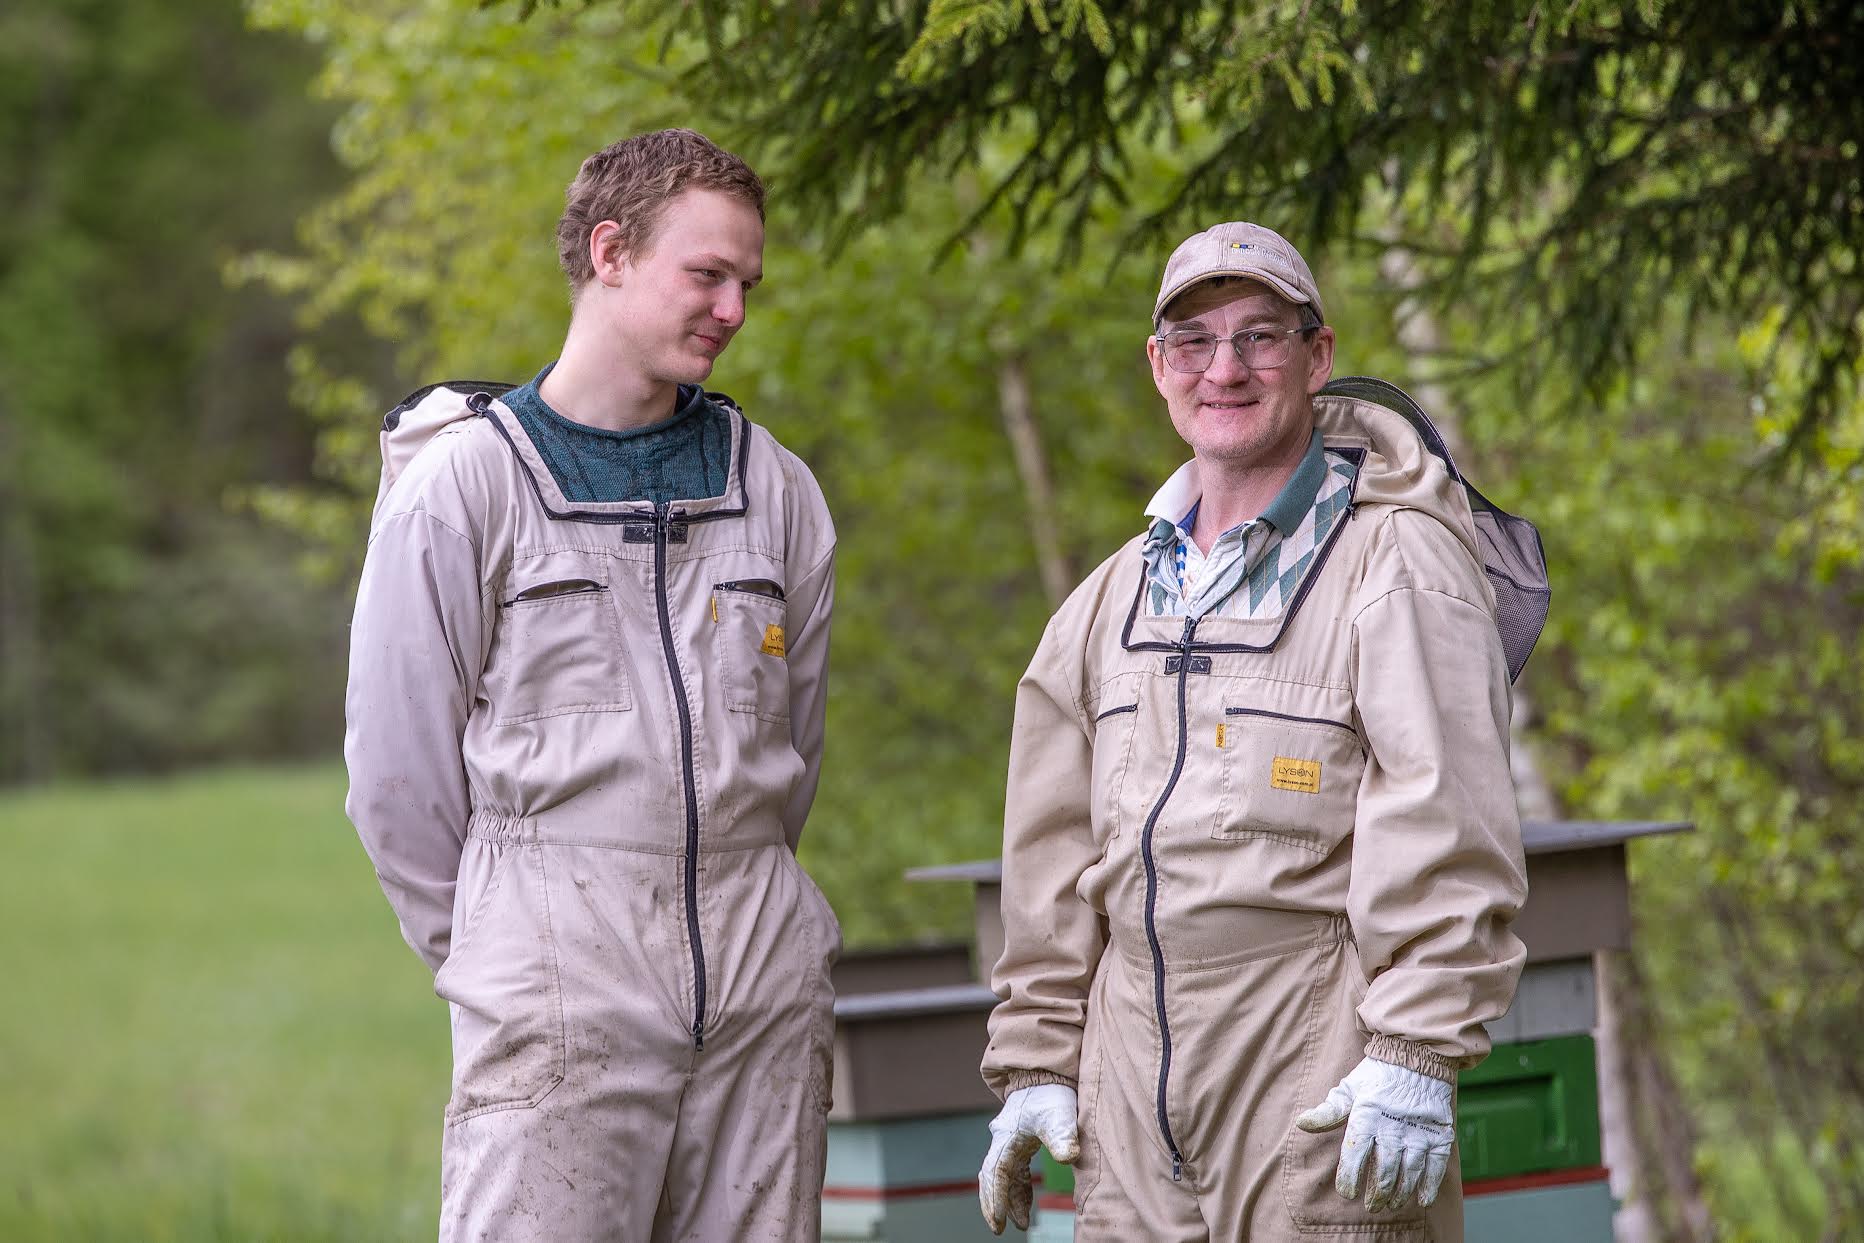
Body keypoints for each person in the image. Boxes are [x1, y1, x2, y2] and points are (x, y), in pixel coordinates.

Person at [976, 222, 1527, 1240]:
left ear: (1315, 357)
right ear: (1157, 367)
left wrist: (1415, 1050)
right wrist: (1036, 1060)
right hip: (1125, 1081)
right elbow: (1049, 857)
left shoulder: (1397, 563)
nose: (1223, 369)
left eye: (1259, 336)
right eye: (1192, 340)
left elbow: (1449, 823)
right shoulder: (1107, 602)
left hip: (1314, 1061)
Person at [345, 128, 839, 1242]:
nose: (733, 309)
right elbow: (395, 782)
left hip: (762, 992)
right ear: (610, 252)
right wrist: (509, 954)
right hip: (554, 981)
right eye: (706, 274)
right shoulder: (467, 488)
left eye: (746, 282)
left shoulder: (777, 490)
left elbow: (791, 759)